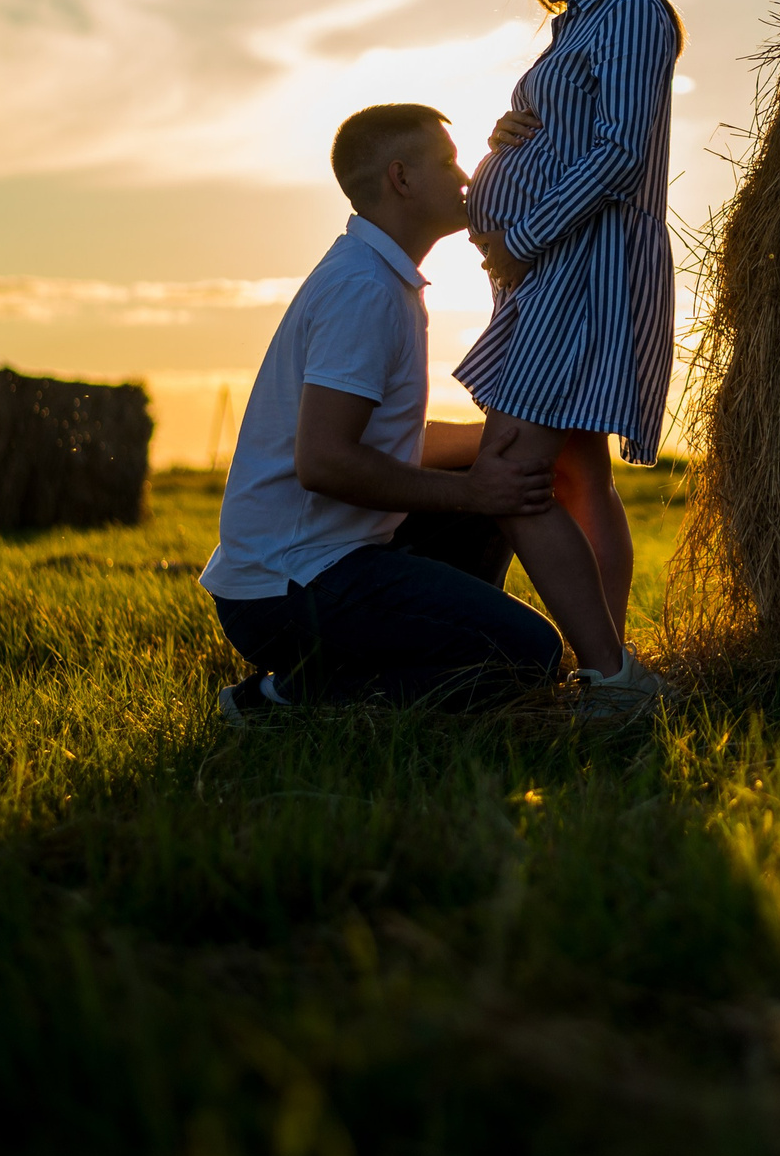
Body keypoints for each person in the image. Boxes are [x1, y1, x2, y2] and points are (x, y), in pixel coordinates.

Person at [200, 103, 576, 722]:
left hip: (311, 568)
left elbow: (386, 441)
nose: (467, 178)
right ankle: (283, 701)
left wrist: (504, 443)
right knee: (528, 655)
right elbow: (324, 461)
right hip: (287, 589)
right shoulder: (365, 290)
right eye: (449, 162)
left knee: (482, 499)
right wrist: (478, 492)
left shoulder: (378, 276)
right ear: (401, 178)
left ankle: (432, 649)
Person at [457, 0, 678, 710]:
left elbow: (620, 156)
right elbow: (575, 138)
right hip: (543, 270)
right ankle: (605, 663)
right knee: (575, 476)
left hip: (579, 269)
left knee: (508, 467)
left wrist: (521, 236)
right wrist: (508, 136)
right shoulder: (580, 26)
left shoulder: (631, 13)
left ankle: (607, 673)